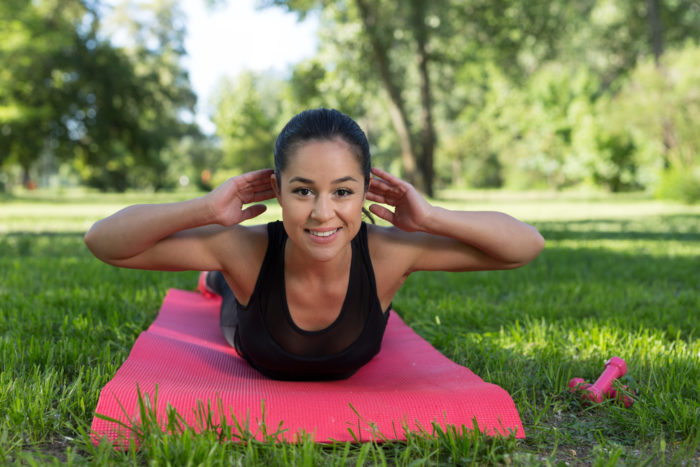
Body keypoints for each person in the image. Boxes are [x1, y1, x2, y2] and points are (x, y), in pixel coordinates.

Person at [85, 108, 544, 381]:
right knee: (218, 280)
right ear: (277, 190)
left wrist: (430, 218)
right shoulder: (241, 250)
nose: (323, 213)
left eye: (343, 192)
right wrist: (204, 211)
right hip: (243, 291)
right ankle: (212, 278)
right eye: (303, 191)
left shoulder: (391, 253)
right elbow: (104, 243)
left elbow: (525, 246)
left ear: (367, 191)